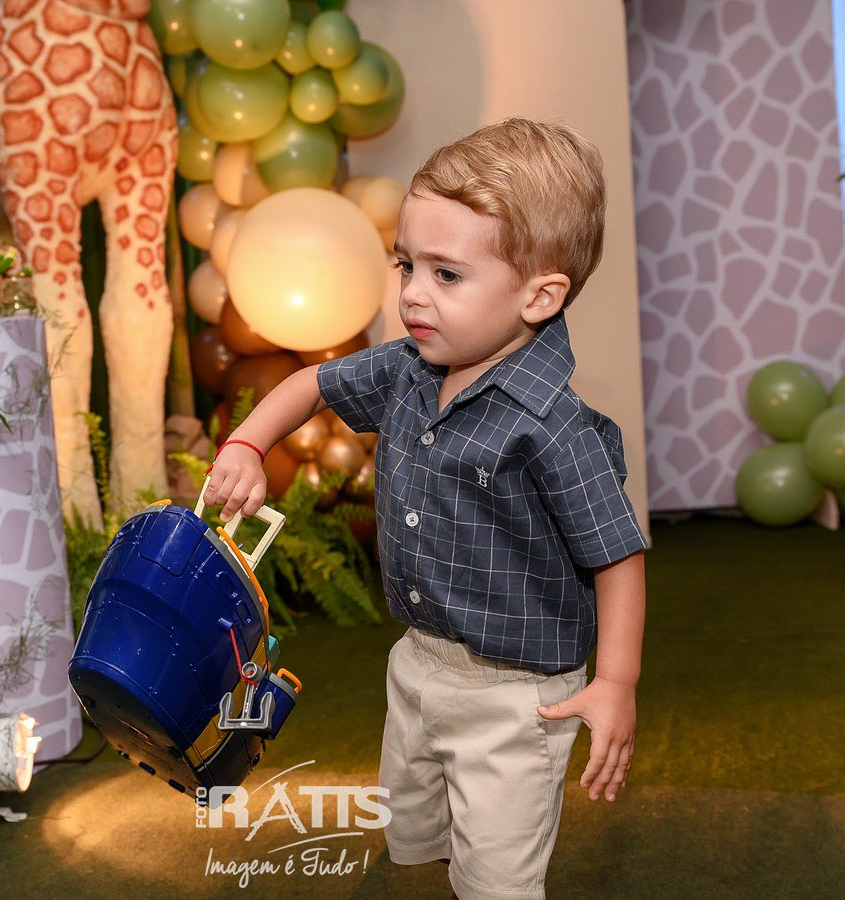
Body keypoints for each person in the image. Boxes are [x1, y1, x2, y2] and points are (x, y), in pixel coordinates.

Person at [203, 117, 648, 900]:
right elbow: (311, 384)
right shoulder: (409, 367)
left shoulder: (554, 428)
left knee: (497, 876)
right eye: (406, 264)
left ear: (539, 295)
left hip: (517, 699)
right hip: (417, 663)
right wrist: (246, 443)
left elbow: (617, 556)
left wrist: (615, 681)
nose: (411, 292)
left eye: (446, 274)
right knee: (419, 830)